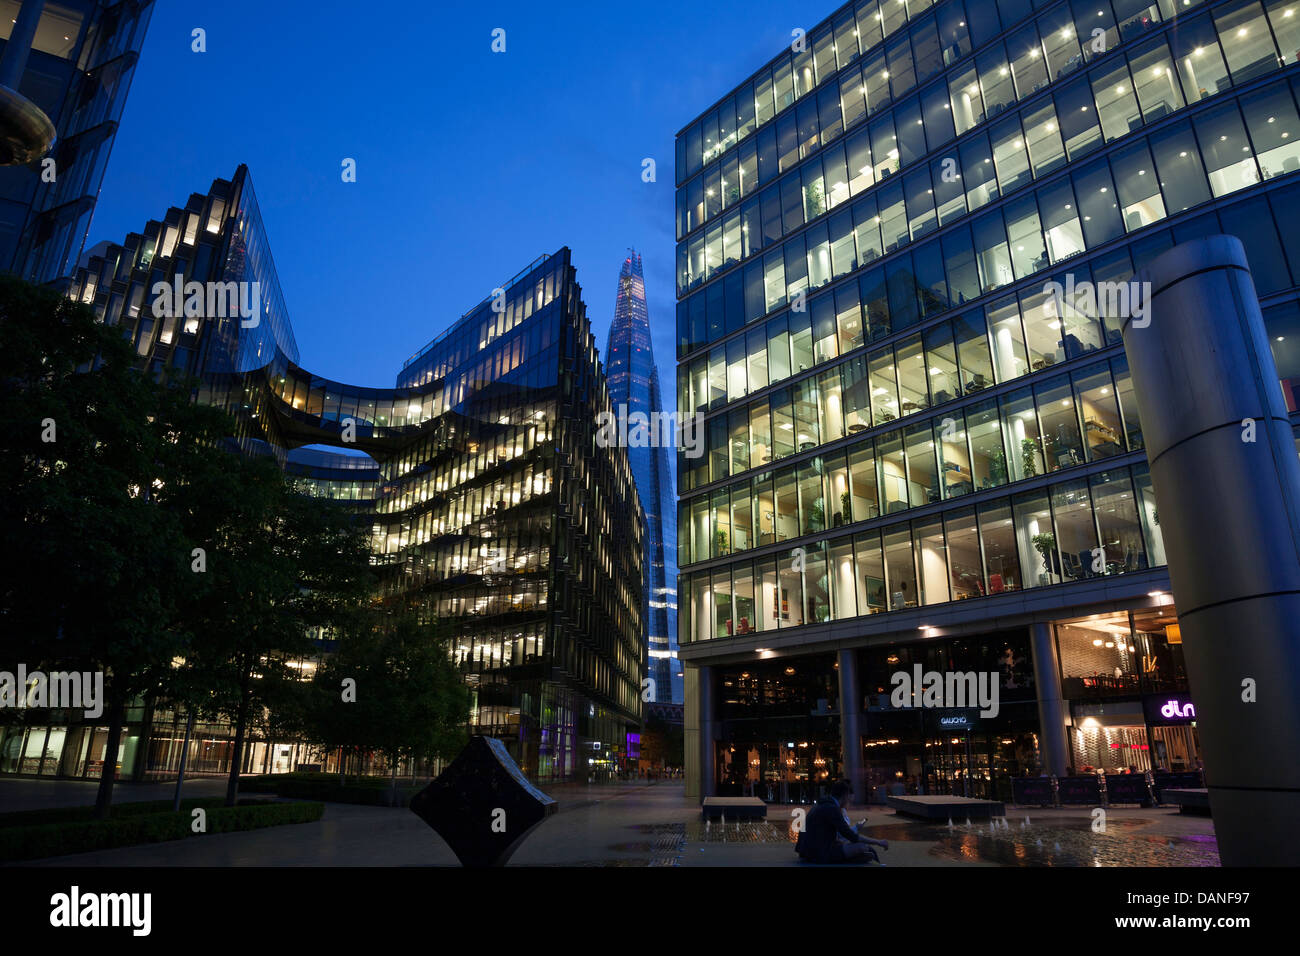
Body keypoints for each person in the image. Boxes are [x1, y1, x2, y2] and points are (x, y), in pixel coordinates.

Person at [796, 779, 889, 865]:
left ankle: (856, 857)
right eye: (848, 796)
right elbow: (851, 836)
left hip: (807, 851)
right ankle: (856, 859)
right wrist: (878, 842)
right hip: (819, 854)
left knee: (855, 847)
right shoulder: (832, 808)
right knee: (862, 847)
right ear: (845, 795)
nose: (848, 800)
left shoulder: (822, 804)